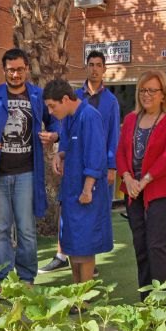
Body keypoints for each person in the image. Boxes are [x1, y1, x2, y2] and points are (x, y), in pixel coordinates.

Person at [0, 48, 59, 286]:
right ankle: (3, 279)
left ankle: (27, 278)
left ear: (27, 68)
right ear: (4, 70)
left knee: (27, 229)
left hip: (28, 173)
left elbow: (56, 120)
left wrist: (54, 136)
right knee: (0, 230)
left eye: (20, 69)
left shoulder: (38, 96)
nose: (16, 74)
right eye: (11, 70)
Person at [40, 50, 120, 274]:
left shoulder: (98, 110)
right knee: (74, 245)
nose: (50, 112)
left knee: (84, 246)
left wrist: (89, 187)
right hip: (73, 186)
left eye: (52, 107)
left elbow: (100, 149)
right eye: (90, 64)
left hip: (87, 188)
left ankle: (83, 297)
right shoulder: (71, 110)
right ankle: (78, 295)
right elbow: (67, 140)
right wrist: (60, 153)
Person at [115, 70, 166, 300]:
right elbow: (121, 152)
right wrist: (127, 178)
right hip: (133, 191)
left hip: (161, 192)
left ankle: (160, 299)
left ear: (163, 94)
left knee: (156, 245)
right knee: (140, 246)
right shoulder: (131, 120)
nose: (147, 95)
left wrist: (144, 181)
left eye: (152, 90)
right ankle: (145, 298)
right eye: (143, 90)